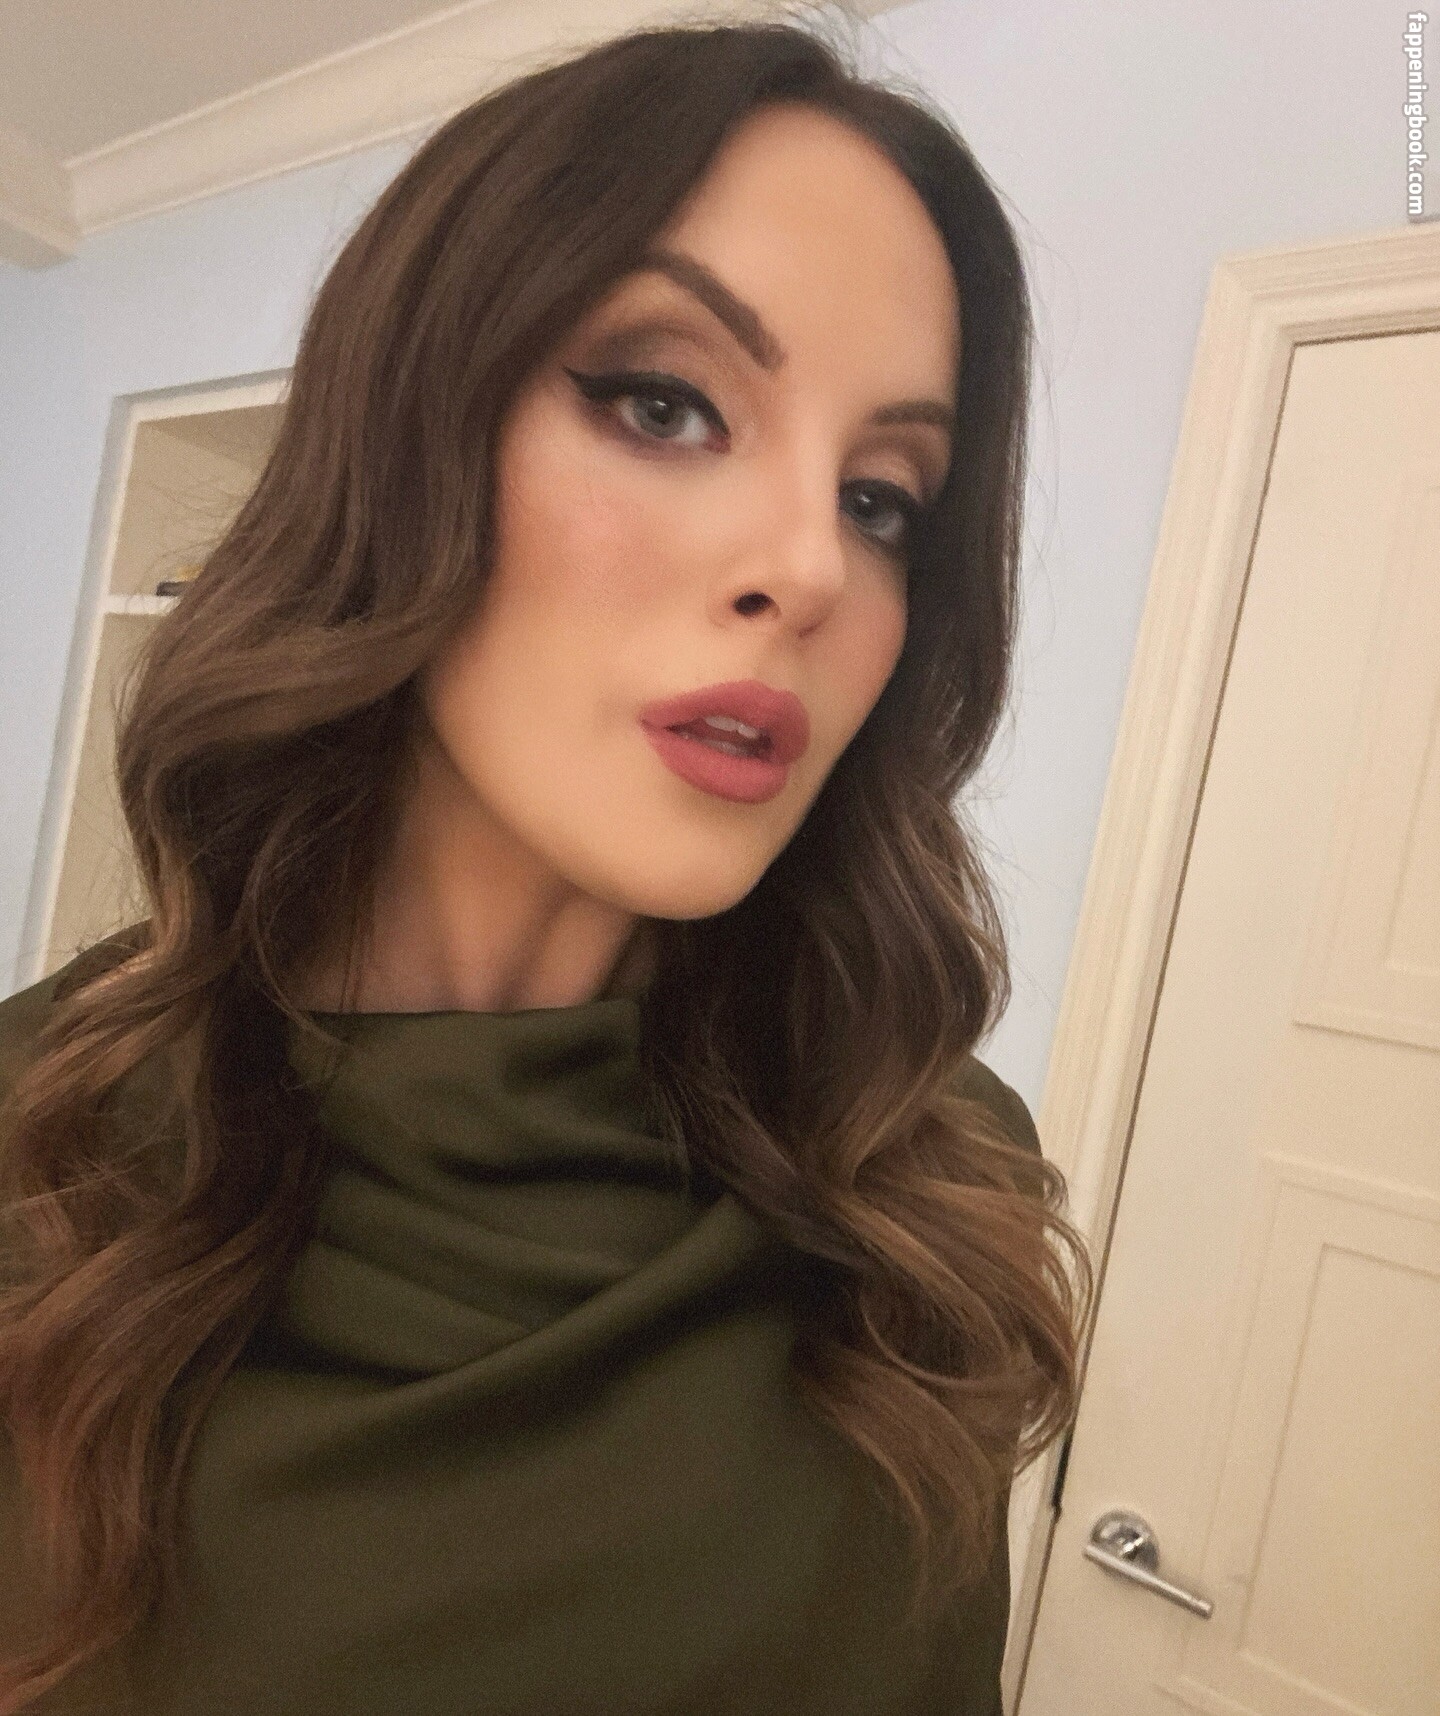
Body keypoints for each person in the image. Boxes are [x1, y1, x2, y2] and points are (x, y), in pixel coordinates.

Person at [0, 13, 1094, 1714]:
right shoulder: (38, 1145)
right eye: (666, 402)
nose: (812, 564)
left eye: (884, 498)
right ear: (401, 440)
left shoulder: (933, 1178)